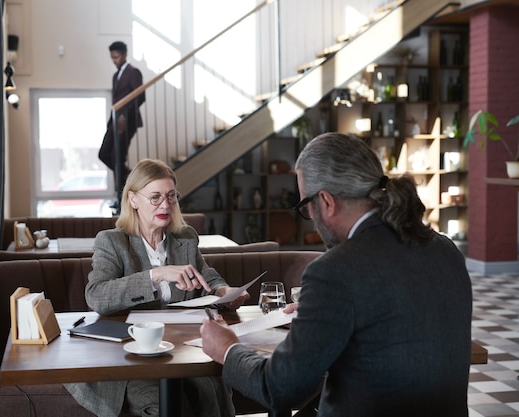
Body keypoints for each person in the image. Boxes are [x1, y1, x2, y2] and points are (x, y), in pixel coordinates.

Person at [200, 133, 473, 417]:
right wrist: (321, 317)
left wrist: (227, 349)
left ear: (327, 201)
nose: (311, 218)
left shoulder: (334, 270)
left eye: (306, 206)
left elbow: (279, 388)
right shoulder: (445, 249)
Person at [65, 158, 248, 417]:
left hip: (181, 348)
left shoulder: (184, 238)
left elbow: (206, 274)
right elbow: (97, 296)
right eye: (155, 197)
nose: (165, 205)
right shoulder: (112, 242)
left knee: (212, 391)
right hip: (129, 357)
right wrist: (156, 274)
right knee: (162, 404)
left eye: (171, 196)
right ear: (133, 199)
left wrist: (222, 292)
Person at [98, 41, 146, 203]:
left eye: (116, 57)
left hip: (126, 121)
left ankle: (121, 194)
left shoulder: (133, 72)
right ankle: (132, 178)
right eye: (112, 58)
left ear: (125, 54)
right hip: (114, 121)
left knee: (118, 158)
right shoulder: (115, 76)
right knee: (104, 154)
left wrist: (124, 116)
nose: (114, 61)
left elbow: (140, 96)